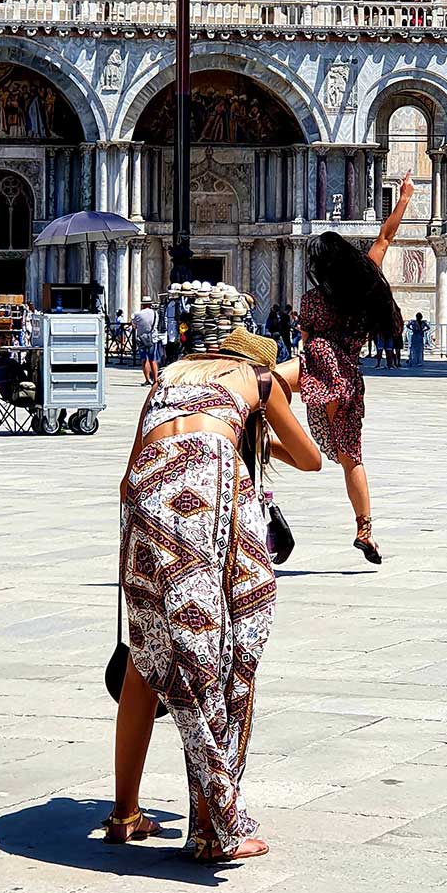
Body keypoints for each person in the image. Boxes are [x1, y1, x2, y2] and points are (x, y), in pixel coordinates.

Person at [108, 328, 320, 862]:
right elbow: (311, 458)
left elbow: (127, 474)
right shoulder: (259, 380)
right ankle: (214, 826)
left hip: (143, 498)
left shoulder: (167, 380)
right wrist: (255, 429)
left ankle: (125, 814)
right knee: (221, 659)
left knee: (150, 656)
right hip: (203, 492)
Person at [299, 171, 412, 565]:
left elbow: (307, 336)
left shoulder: (314, 299)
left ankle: (258, 453)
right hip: (349, 380)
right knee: (352, 457)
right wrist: (404, 199)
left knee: (264, 388)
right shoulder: (366, 283)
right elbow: (385, 238)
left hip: (319, 375)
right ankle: (364, 528)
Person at [131, 295, 161, 386]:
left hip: (142, 339)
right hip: (153, 338)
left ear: (143, 305)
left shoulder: (138, 314)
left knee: (144, 359)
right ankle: (155, 380)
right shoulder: (156, 314)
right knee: (153, 360)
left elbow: (134, 325)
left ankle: (147, 379)